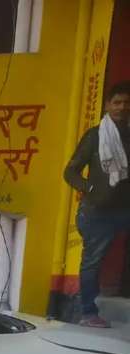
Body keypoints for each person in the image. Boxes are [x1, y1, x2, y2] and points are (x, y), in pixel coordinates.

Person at [64, 81, 130, 327]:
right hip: (97, 212)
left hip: (124, 210)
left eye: (126, 103)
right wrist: (90, 188)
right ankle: (88, 313)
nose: (122, 107)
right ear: (107, 106)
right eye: (117, 102)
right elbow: (70, 172)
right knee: (92, 261)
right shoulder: (95, 136)